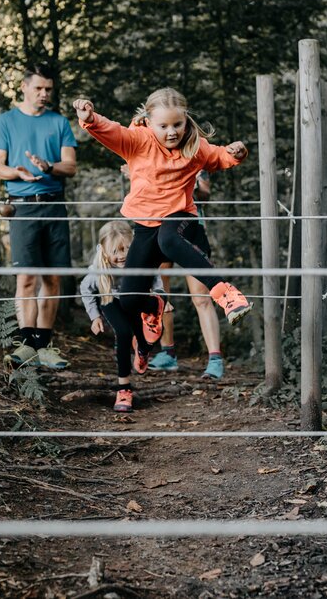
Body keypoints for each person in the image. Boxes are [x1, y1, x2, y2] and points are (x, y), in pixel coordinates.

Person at [72, 87, 251, 395]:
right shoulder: (138, 141)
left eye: (177, 125)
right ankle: (147, 331)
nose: (171, 132)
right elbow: (110, 131)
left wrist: (235, 153)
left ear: (186, 121)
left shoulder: (195, 146)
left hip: (181, 219)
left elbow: (219, 156)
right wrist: (89, 119)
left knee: (168, 239)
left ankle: (226, 292)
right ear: (149, 122)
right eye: (164, 126)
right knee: (128, 299)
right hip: (144, 226)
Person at [0, 63, 77, 366]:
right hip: (22, 204)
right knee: (26, 277)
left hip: (54, 203)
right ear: (24, 87)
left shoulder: (59, 122)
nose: (43, 94)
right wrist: (17, 172)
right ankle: (26, 346)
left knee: (53, 278)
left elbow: (71, 165)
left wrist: (48, 167)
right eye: (38, 88)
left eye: (48, 90)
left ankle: (44, 346)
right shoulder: (5, 121)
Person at [79, 221, 170, 412]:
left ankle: (143, 347)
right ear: (104, 251)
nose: (122, 256)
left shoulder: (140, 260)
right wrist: (95, 317)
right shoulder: (99, 270)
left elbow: (154, 277)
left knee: (143, 333)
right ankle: (124, 389)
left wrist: (162, 296)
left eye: (126, 249)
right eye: (116, 251)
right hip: (110, 299)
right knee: (122, 333)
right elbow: (85, 288)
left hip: (136, 299)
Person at [151, 170, 226, 380]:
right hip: (159, 226)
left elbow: (205, 195)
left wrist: (193, 187)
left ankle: (215, 360)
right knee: (161, 296)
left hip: (192, 228)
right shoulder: (152, 155)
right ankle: (168, 353)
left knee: (201, 298)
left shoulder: (197, 159)